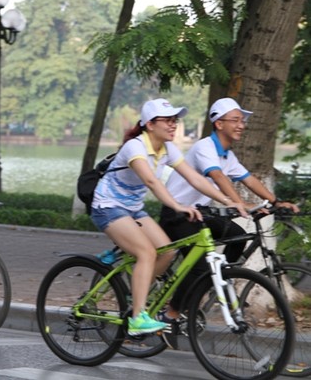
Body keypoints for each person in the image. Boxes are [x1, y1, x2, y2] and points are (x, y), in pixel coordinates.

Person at [91, 98, 246, 336]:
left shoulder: (168, 149)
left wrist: (229, 201)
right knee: (147, 252)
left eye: (176, 120)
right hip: (108, 207)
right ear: (150, 124)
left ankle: (137, 291)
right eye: (168, 120)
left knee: (168, 250)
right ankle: (137, 319)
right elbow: (152, 181)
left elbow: (195, 178)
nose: (174, 125)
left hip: (132, 209)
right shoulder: (136, 146)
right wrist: (177, 205)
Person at [158, 97, 300, 324]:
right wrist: (239, 204)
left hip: (200, 213)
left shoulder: (228, 155)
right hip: (176, 214)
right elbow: (217, 176)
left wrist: (275, 202)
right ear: (219, 123)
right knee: (201, 267)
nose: (241, 125)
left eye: (242, 120)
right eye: (235, 120)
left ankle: (219, 280)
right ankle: (172, 312)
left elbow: (250, 180)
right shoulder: (205, 147)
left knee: (237, 236)